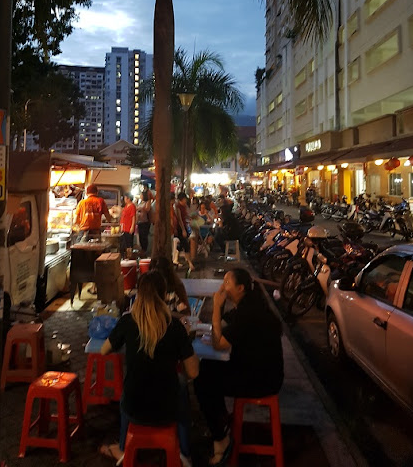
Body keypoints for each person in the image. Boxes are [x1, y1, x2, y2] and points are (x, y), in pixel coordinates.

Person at [99, 271, 199, 465]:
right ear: (164, 295)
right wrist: (184, 341)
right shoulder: (175, 326)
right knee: (180, 385)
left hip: (134, 409)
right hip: (168, 410)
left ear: (139, 294)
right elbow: (193, 372)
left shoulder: (128, 322)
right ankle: (184, 452)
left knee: (132, 386)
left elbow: (104, 350)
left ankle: (122, 448)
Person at [194, 268, 284, 466]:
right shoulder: (248, 304)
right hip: (257, 369)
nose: (222, 287)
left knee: (202, 381)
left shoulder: (249, 313)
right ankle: (221, 421)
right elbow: (226, 323)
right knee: (207, 366)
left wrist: (217, 307)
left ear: (240, 287)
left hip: (261, 379)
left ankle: (221, 441)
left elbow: (219, 343)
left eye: (227, 283)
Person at [175, 192, 197, 272]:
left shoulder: (184, 206)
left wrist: (190, 218)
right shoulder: (178, 207)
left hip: (185, 226)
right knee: (186, 245)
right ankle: (190, 264)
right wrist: (183, 229)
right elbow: (180, 219)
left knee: (181, 246)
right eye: (184, 199)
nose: (185, 200)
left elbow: (185, 216)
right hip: (180, 228)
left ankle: (177, 261)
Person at [120, 193, 136, 259]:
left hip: (128, 227)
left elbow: (133, 217)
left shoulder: (132, 206)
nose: (124, 199)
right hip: (124, 227)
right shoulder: (126, 206)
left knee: (129, 243)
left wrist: (132, 227)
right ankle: (125, 256)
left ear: (128, 199)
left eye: (125, 198)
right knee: (124, 243)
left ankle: (129, 256)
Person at [136, 188, 152, 255]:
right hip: (140, 221)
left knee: (144, 236)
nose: (140, 196)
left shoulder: (147, 202)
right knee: (140, 236)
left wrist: (140, 209)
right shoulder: (140, 202)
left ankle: (145, 250)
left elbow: (147, 209)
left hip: (145, 221)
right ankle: (142, 249)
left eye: (141, 195)